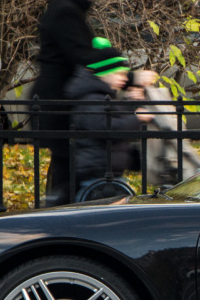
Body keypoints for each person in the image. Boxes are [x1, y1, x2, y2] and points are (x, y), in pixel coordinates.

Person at [35, 0, 105, 205]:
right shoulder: (66, 11)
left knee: (68, 173)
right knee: (68, 176)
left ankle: (57, 216)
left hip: (60, 104)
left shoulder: (68, 8)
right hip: (59, 106)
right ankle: (56, 225)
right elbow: (83, 56)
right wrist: (128, 78)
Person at [64, 52, 152, 202]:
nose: (124, 79)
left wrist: (132, 103)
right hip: (98, 178)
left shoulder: (103, 97)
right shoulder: (91, 99)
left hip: (109, 176)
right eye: (119, 74)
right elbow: (108, 129)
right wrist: (136, 117)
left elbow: (117, 118)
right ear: (105, 73)